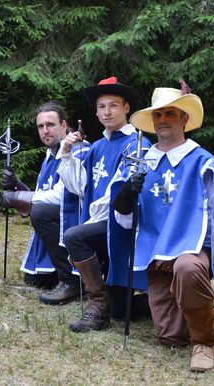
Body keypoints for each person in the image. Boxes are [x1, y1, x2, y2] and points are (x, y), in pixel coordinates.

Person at [111, 86, 214, 372]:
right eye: (158, 114)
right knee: (171, 337)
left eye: (170, 113)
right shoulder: (141, 161)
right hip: (155, 258)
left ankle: (204, 344)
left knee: (187, 268)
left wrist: (183, 252)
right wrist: (127, 192)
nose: (163, 120)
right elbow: (122, 215)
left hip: (192, 253)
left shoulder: (202, 162)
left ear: (184, 119)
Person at [58, 76, 150, 331]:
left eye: (113, 105)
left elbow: (119, 194)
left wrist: (91, 220)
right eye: (101, 107)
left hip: (122, 224)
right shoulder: (97, 147)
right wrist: (66, 153)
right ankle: (109, 305)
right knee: (119, 310)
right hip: (101, 223)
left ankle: (103, 306)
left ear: (126, 108)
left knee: (75, 236)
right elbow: (79, 186)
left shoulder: (137, 144)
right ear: (96, 113)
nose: (107, 112)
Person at [2, 102, 89, 301]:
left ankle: (72, 280)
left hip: (78, 221)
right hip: (61, 219)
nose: (45, 130)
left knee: (40, 212)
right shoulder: (50, 155)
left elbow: (63, 196)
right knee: (34, 279)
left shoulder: (78, 149)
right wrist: (18, 186)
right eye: (40, 126)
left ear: (64, 125)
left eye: (50, 124)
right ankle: (59, 273)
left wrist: (18, 197)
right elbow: (43, 195)